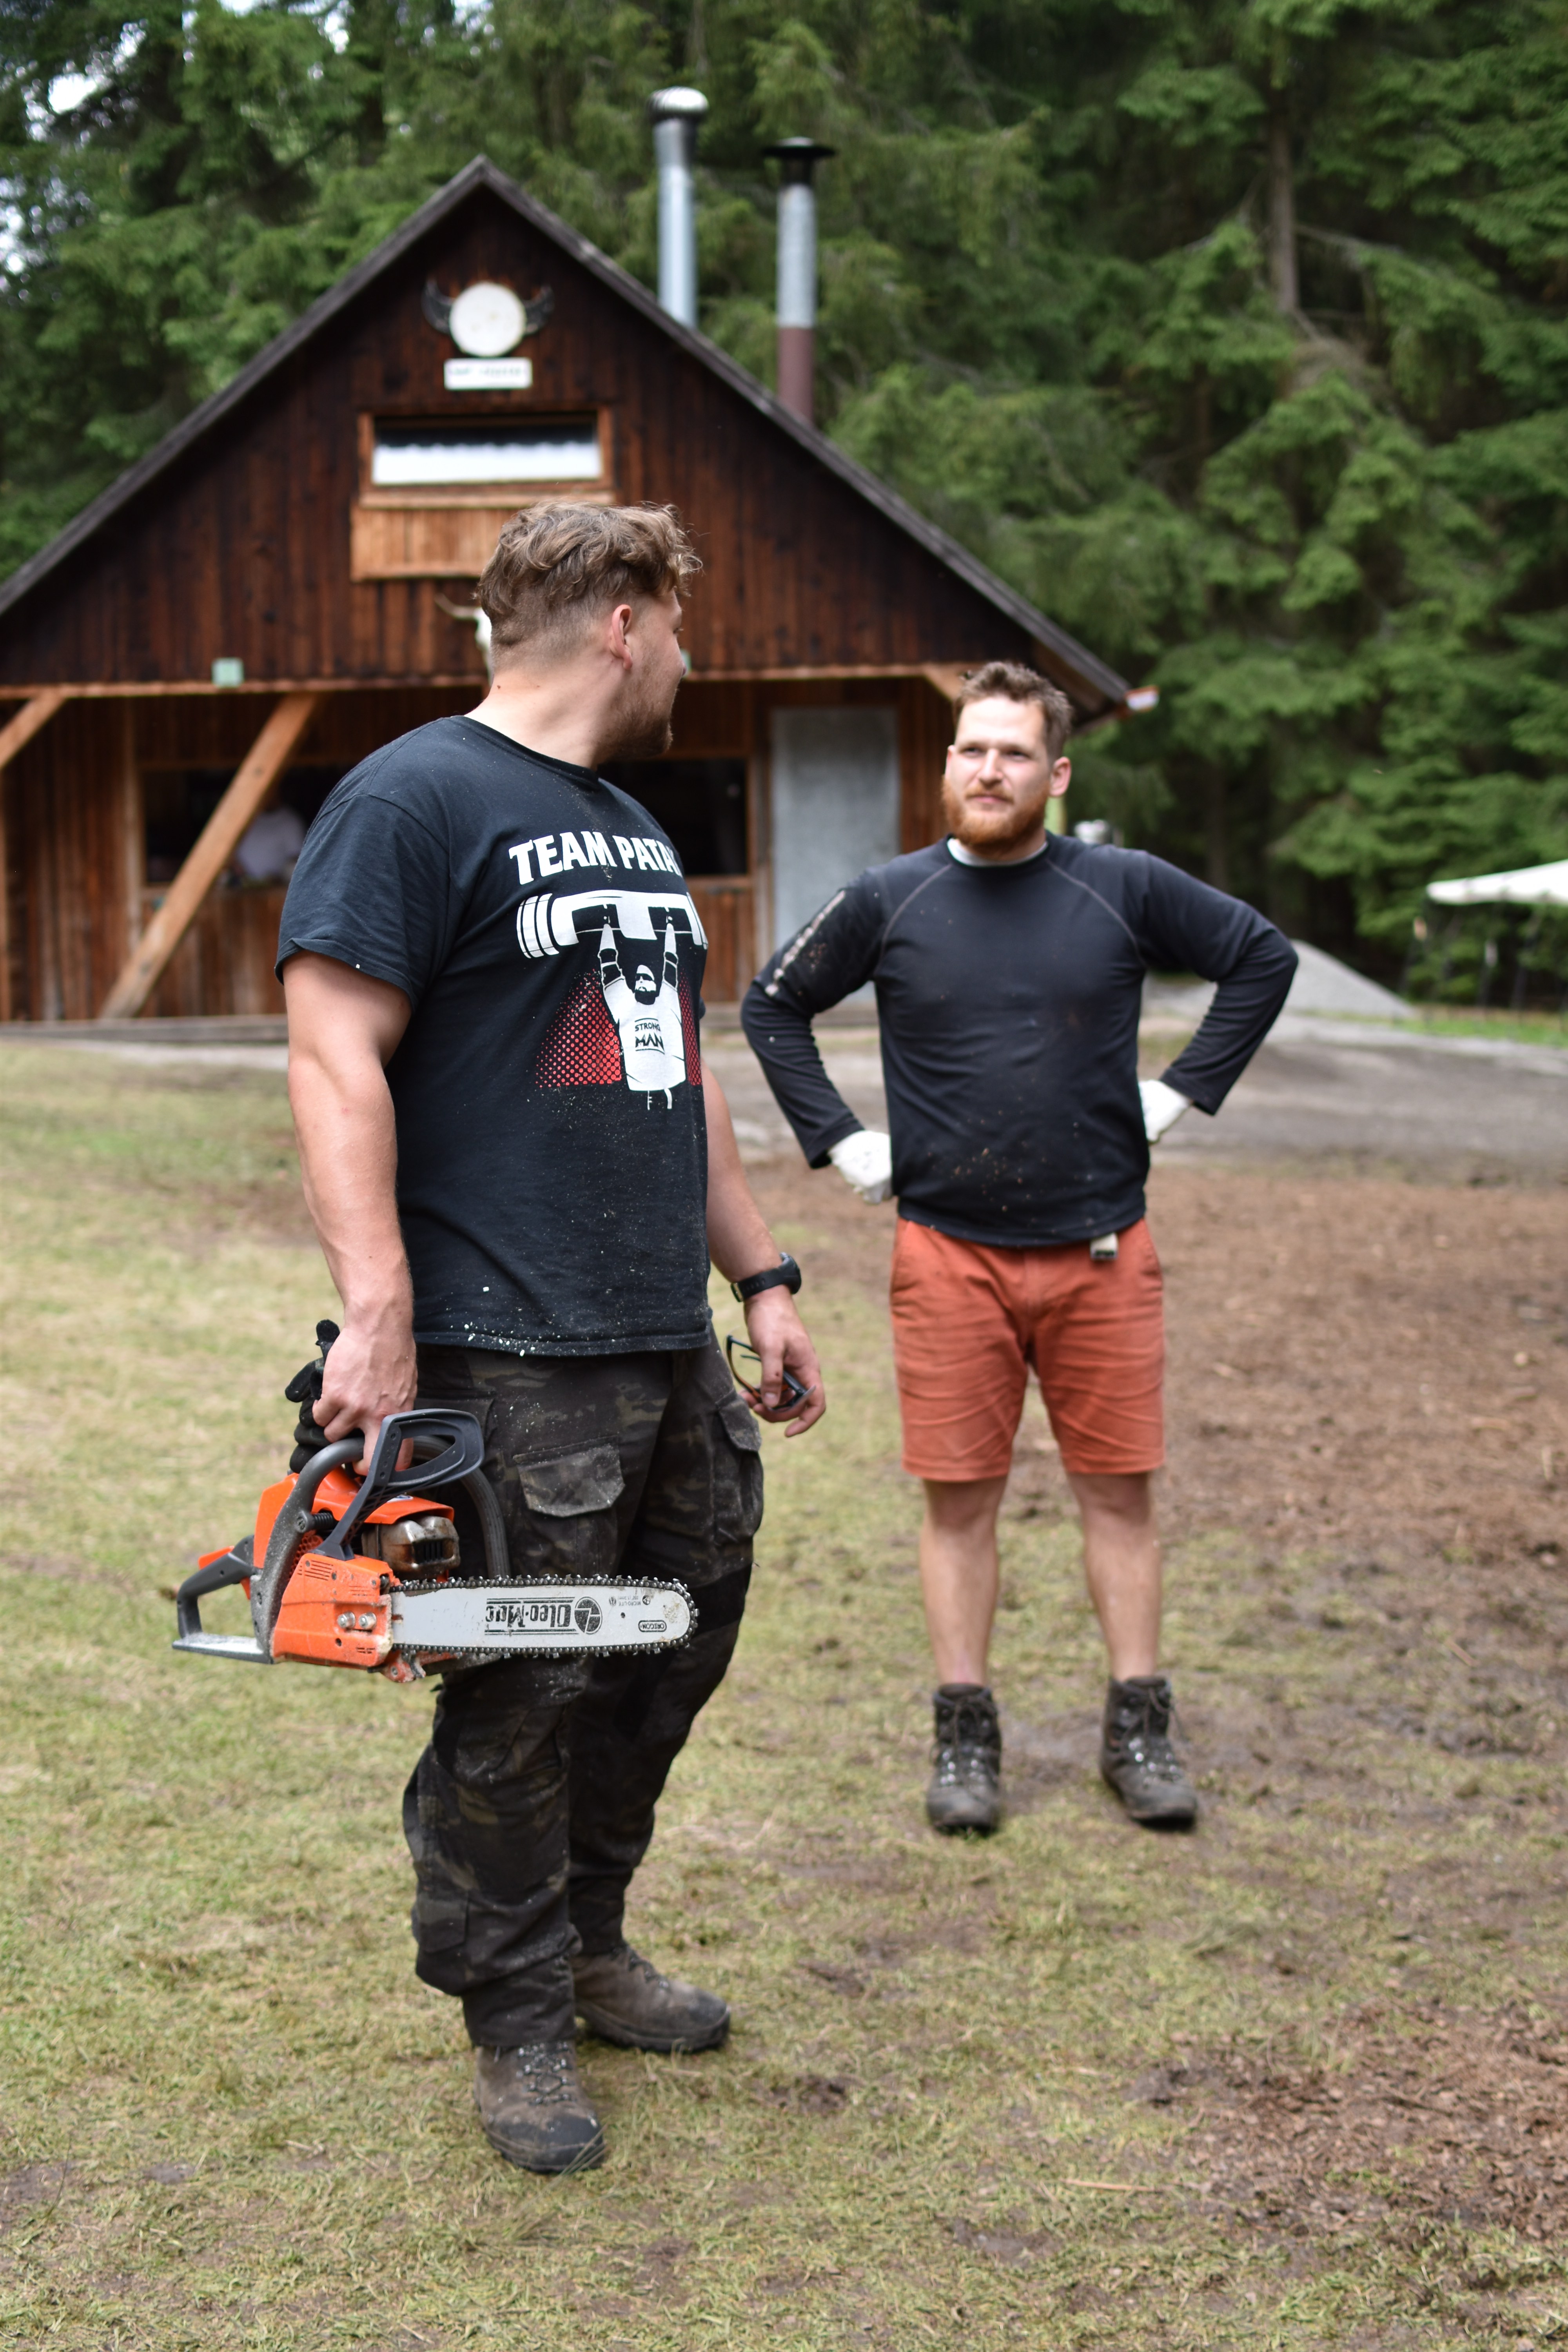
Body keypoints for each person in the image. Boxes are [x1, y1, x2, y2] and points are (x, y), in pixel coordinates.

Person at [277, 503, 824, 2176]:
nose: (686, 660)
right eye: (680, 626)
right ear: (623, 621)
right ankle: (512, 2014)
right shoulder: (413, 796)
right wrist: (381, 1315)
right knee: (522, 1686)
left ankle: (589, 1940)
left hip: (663, 1342)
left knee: (671, 1645)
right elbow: (331, 1054)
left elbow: (682, 1078)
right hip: (503, 1351)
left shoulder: (632, 828)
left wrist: (763, 1276)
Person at [741, 661, 1294, 1837]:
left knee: (1120, 1499)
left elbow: (1262, 957)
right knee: (959, 1506)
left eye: (1013, 753)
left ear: (1058, 773)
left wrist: (1178, 1095)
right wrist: (841, 1140)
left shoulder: (1122, 888)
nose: (989, 771)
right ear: (948, 765)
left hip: (1103, 1252)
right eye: (971, 750)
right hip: (948, 1257)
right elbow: (771, 1005)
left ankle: (1138, 1730)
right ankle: (966, 1737)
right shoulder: (889, 900)